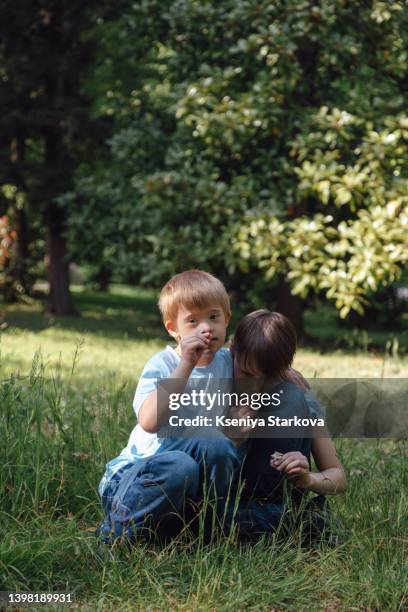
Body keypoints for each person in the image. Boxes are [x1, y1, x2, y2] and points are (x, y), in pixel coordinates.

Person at [97, 270, 239, 545]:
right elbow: (149, 421)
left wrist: (286, 374)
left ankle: (207, 533)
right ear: (173, 329)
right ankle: (115, 535)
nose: (205, 328)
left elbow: (261, 371)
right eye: (192, 321)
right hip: (133, 481)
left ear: (227, 319)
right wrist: (185, 365)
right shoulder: (163, 365)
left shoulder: (228, 364)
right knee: (180, 465)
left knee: (218, 445)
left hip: (185, 488)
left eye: (213, 317)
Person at [225, 309, 347, 540]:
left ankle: (283, 521)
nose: (256, 387)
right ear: (232, 349)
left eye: (267, 378)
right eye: (247, 374)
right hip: (226, 495)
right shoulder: (217, 379)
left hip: (273, 497)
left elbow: (338, 477)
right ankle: (290, 524)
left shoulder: (297, 398)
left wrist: (308, 478)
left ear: (282, 370)